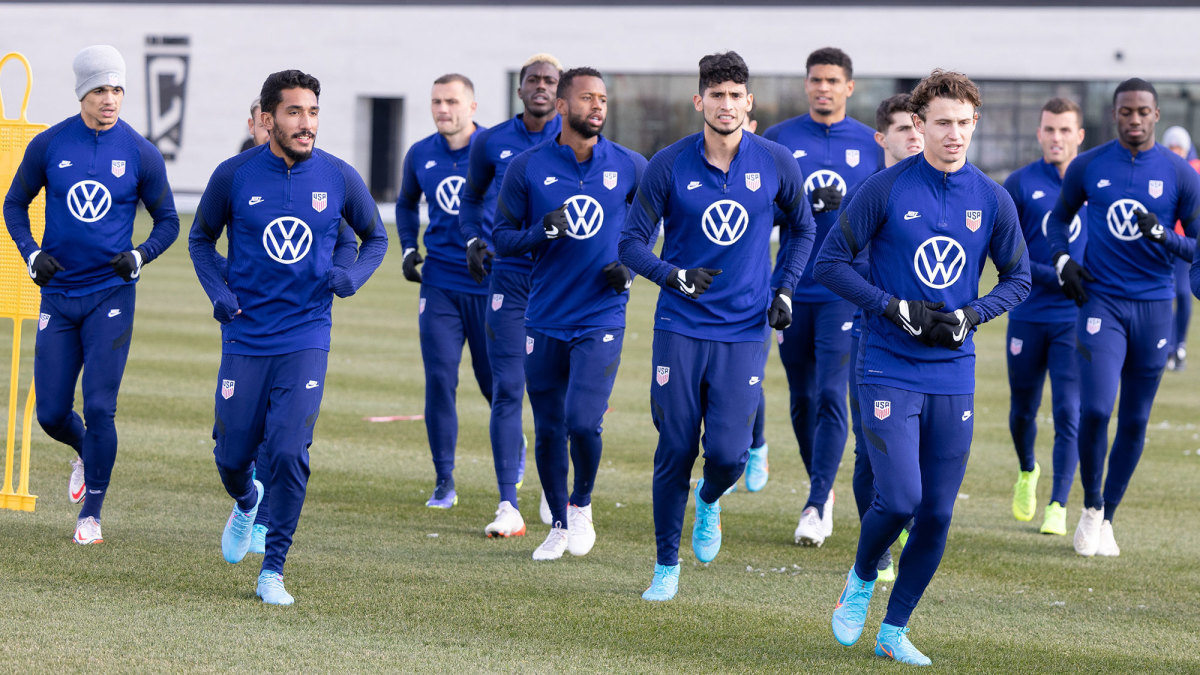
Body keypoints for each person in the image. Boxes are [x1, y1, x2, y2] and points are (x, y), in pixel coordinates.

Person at [815, 69, 1030, 665]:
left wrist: (972, 316)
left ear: (974, 124)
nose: (954, 134)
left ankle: (895, 627)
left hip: (953, 369)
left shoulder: (991, 198)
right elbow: (830, 264)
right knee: (901, 498)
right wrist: (893, 307)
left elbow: (1020, 277)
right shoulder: (884, 189)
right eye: (942, 123)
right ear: (918, 125)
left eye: (964, 123)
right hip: (887, 362)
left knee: (936, 511)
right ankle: (860, 581)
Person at [619, 51, 815, 602]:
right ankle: (665, 565)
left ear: (748, 103)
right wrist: (672, 276)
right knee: (676, 447)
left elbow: (803, 229)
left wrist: (784, 287)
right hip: (679, 328)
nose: (726, 105)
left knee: (727, 455)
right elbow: (630, 244)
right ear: (699, 100)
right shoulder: (668, 163)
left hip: (743, 330)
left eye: (736, 96)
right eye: (716, 95)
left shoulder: (775, 160)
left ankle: (709, 501)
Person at [189, 69, 388, 605]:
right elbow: (201, 239)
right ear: (268, 117)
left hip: (306, 334)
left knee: (288, 450)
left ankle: (272, 570)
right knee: (232, 457)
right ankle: (246, 500)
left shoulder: (339, 177)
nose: (307, 124)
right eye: (295, 112)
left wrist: (352, 277)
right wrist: (219, 293)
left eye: (314, 112)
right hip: (246, 334)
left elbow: (375, 237)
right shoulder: (234, 176)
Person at [3, 45, 179, 545]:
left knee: (101, 407)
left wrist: (140, 255)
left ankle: (91, 516)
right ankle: (86, 450)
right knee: (51, 413)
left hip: (111, 295)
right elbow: (14, 205)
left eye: (118, 89)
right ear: (83, 92)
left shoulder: (141, 151)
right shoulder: (49, 144)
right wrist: (32, 255)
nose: (111, 99)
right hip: (58, 296)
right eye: (101, 89)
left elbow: (167, 221)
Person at [492, 67, 646, 558]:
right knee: (549, 427)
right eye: (586, 99)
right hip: (542, 316)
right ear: (561, 106)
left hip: (601, 315)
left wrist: (630, 268)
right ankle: (558, 524)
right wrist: (543, 232)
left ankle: (581, 506)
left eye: (602, 99)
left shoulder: (628, 165)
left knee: (583, 422)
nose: (597, 106)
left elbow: (651, 225)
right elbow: (501, 239)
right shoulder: (528, 167)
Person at [1047, 78, 1200, 558]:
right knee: (1095, 409)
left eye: (1142, 112)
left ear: (1156, 115)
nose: (1134, 119)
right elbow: (1058, 219)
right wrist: (1061, 260)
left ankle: (1109, 515)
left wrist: (1164, 237)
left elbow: (1196, 247)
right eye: (1125, 112)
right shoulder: (1090, 165)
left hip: (1155, 308)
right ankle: (1090, 506)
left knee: (1134, 419)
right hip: (1102, 302)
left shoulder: (1180, 174)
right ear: (1114, 115)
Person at [762, 47, 882, 547]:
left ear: (849, 87)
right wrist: (798, 211)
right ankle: (824, 487)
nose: (823, 88)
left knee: (832, 392)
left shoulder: (870, 144)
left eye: (833, 80)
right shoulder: (778, 140)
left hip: (843, 290)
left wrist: (847, 207)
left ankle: (815, 501)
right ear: (806, 84)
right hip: (792, 285)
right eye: (816, 80)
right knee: (802, 395)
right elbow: (755, 213)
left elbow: (883, 214)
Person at [458, 54, 563, 529]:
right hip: (510, 277)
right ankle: (507, 503)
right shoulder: (491, 141)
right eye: (532, 81)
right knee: (507, 390)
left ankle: (555, 491)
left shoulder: (579, 142)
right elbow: (471, 196)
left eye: (549, 82)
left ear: (560, 94)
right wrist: (474, 239)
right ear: (519, 90)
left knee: (554, 397)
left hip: (563, 284)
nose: (540, 87)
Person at [396, 74, 493, 511]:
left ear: (472, 107)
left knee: (495, 385)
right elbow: (404, 203)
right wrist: (407, 246)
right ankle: (444, 480)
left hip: (492, 283)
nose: (442, 109)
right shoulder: (420, 153)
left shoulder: (494, 149)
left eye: (452, 101)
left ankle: (514, 448)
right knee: (439, 380)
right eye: (436, 101)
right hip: (440, 284)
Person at [844, 93, 924, 583]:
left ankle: (911, 523)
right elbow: (843, 263)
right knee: (868, 448)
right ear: (882, 138)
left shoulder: (949, 189)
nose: (914, 137)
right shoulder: (870, 191)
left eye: (919, 128)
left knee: (920, 449)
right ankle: (878, 549)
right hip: (876, 335)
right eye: (903, 130)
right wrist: (890, 303)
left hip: (933, 344)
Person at [1002, 98, 1087, 536]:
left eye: (1064, 130)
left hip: (1075, 318)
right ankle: (1027, 470)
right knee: (1022, 411)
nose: (1057, 138)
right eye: (1049, 130)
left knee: (1069, 411)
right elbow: (1010, 256)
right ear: (1039, 134)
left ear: (1080, 135)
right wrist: (1056, 272)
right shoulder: (1019, 183)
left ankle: (1058, 503)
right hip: (1028, 314)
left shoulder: (1094, 181)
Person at [1162, 125, 1198, 371]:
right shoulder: (1161, 167)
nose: (1176, 151)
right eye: (1171, 147)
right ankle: (1166, 345)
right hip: (1162, 242)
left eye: (1179, 147)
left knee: (1184, 294)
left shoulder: (1194, 170)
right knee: (1165, 295)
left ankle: (1180, 345)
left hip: (1186, 244)